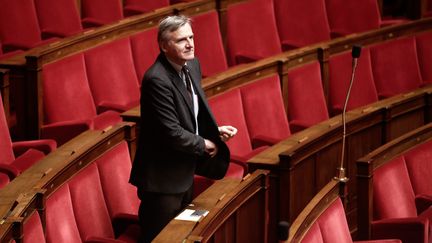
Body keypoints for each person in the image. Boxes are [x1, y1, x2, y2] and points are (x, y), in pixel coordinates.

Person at [129, 15, 237, 242]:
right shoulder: (156, 79)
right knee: (162, 239)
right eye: (181, 40)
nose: (190, 44)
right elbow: (170, 131)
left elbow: (191, 111)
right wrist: (204, 144)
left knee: (184, 236)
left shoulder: (192, 64)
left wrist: (214, 131)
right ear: (164, 46)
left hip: (185, 170)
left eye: (191, 37)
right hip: (163, 181)